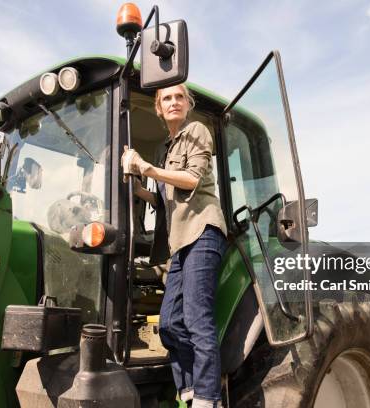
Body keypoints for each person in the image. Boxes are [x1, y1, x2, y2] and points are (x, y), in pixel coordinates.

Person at [121, 84, 227, 408]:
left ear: (187, 102)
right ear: (158, 107)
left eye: (179, 97)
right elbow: (166, 202)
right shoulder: (163, 149)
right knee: (168, 323)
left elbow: (192, 179)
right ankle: (190, 390)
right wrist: (139, 190)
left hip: (203, 232)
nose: (173, 102)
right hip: (178, 243)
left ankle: (208, 399)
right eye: (166, 98)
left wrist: (148, 169)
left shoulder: (198, 131)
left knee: (197, 319)